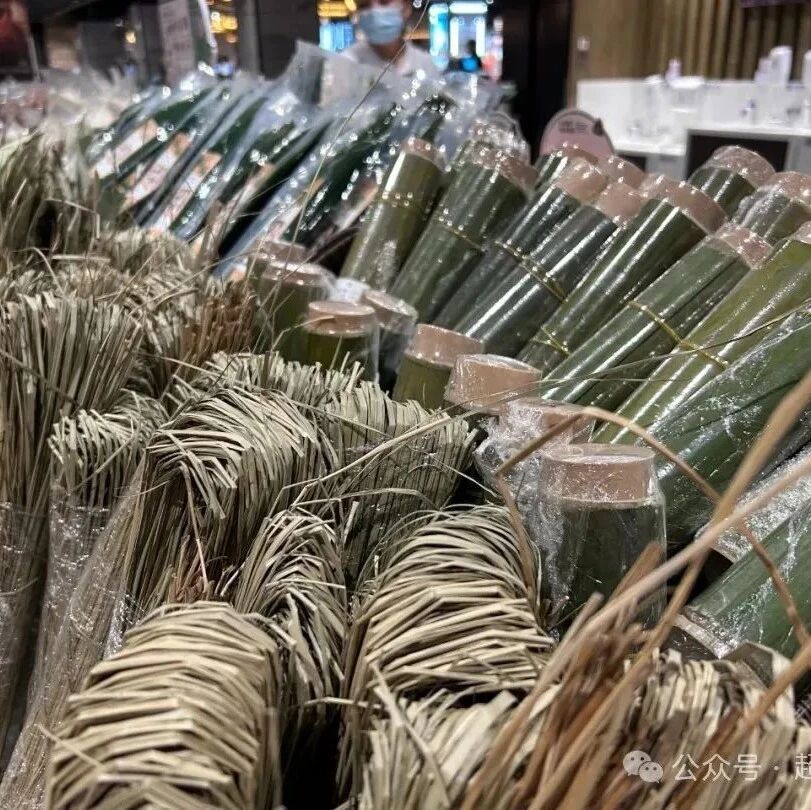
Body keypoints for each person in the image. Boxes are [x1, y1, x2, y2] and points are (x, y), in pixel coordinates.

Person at [343, 0, 439, 79]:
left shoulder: (425, 65)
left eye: (384, 2)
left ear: (406, 8)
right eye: (364, 5)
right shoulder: (347, 63)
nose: (374, 10)